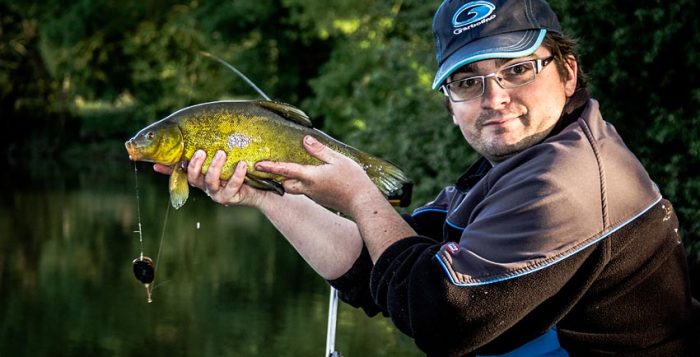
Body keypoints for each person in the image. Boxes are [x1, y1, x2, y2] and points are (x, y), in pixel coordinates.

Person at [156, 0, 699, 355]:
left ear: (567, 70)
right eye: (467, 81)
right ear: (448, 102)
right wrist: (264, 196)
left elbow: (444, 316)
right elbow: (380, 268)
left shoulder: (570, 179)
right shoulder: (514, 166)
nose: (494, 98)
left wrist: (361, 193)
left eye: (516, 69)